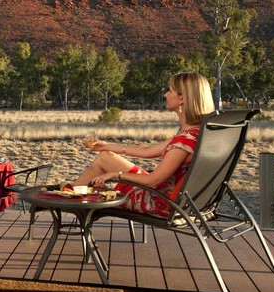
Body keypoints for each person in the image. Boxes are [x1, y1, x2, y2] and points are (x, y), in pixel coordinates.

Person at [75, 72, 215, 217]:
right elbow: (148, 151)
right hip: (170, 195)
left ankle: (68, 198)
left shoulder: (184, 141)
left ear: (182, 98)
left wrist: (117, 175)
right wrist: (106, 146)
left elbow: (153, 181)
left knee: (100, 181)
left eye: (170, 90)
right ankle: (70, 193)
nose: (166, 95)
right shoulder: (196, 132)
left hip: (159, 202)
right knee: (104, 157)